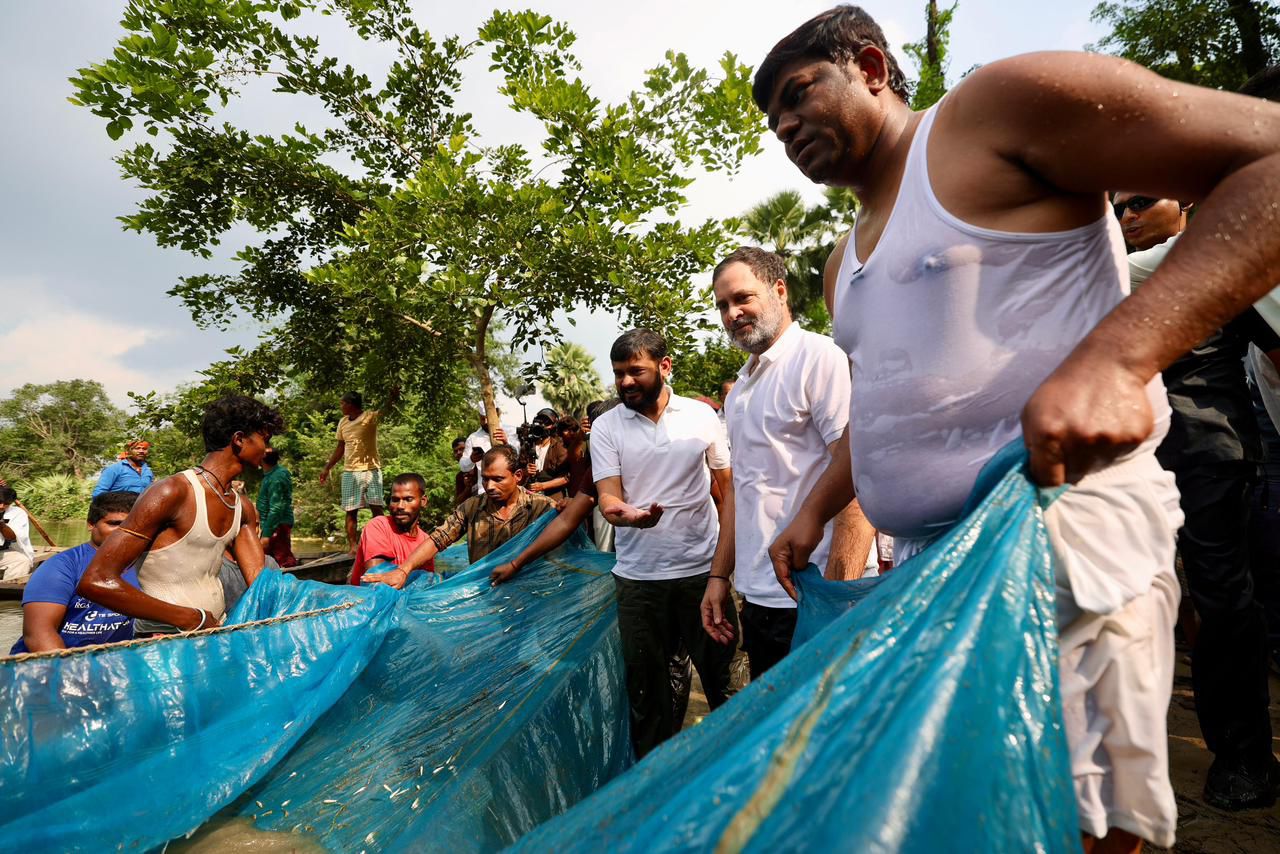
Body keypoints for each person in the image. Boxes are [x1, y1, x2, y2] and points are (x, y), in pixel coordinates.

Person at [757, 6, 1280, 849]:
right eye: (772, 119)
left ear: (871, 68)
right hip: (927, 572)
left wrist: (1118, 360)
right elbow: (885, 404)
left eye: (797, 93)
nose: (783, 125)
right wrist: (816, 508)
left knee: (1071, 825)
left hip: (1058, 533)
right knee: (966, 818)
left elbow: (1270, 158)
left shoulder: (994, 112)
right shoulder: (839, 265)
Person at [1121, 187, 1280, 811]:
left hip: (1207, 448)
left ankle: (1245, 757)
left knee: (1222, 597)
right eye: (1120, 207)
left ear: (1183, 201)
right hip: (1129, 457)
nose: (1128, 215)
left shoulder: (1222, 256)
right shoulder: (1109, 276)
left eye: (1141, 201)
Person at [701, 246, 876, 677]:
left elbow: (859, 478)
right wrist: (720, 577)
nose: (732, 313)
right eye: (722, 305)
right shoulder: (742, 389)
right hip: (761, 598)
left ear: (779, 290)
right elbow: (740, 490)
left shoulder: (819, 358)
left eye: (743, 298)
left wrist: (833, 604)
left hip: (817, 594)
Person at [591, 328, 738, 757]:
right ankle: (656, 782)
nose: (625, 382)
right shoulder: (606, 426)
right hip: (639, 583)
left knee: (727, 684)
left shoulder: (701, 416)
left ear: (665, 366)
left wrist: (723, 572)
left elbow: (729, 492)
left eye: (635, 371)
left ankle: (741, 775)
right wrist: (629, 515)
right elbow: (608, 498)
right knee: (648, 698)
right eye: (618, 373)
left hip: (702, 577)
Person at [79, 396, 282, 633]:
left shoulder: (242, 507)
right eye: (264, 439)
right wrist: (190, 618)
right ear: (238, 440)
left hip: (214, 634)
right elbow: (96, 581)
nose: (267, 449)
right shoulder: (172, 492)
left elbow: (261, 585)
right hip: (160, 638)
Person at [366, 446, 555, 588]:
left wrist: (566, 506)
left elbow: (565, 528)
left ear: (518, 476)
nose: (489, 486)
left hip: (528, 590)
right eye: (485, 479)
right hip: (485, 590)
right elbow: (438, 539)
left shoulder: (541, 506)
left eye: (498, 479)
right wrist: (403, 570)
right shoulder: (472, 507)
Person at [10, 491, 139, 654]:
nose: (124, 531)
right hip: (54, 661)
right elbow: (38, 635)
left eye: (132, 525)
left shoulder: (146, 564)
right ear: (91, 524)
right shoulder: (60, 567)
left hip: (115, 658)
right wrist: (66, 669)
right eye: (114, 523)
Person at [320, 390, 395, 553]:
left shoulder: (369, 417)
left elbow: (386, 410)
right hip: (350, 471)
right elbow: (340, 447)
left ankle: (383, 543)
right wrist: (327, 467)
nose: (340, 406)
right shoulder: (343, 422)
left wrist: (393, 395)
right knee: (350, 510)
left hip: (371, 469)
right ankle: (353, 546)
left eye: (342, 403)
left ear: (351, 404)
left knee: (377, 507)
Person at [349, 473, 434, 585]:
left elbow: (426, 583)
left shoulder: (426, 542)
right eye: (395, 500)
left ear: (423, 501)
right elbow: (376, 581)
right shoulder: (378, 526)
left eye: (408, 499)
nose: (400, 506)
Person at [458, 406, 521, 496]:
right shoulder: (473, 438)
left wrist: (506, 443)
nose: (485, 422)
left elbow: (518, 457)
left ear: (497, 415)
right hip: (484, 490)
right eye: (483, 419)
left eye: (488, 418)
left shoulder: (510, 431)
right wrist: (471, 459)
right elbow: (463, 467)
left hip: (509, 488)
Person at [256, 449, 297, 568]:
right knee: (268, 557)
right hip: (272, 524)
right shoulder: (271, 474)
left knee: (283, 558)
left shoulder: (276, 478)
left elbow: (277, 508)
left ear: (261, 460)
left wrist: (267, 535)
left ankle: (291, 575)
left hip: (277, 524)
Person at [0, 486, 35, 580]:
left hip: (2, 552)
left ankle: (8, 586)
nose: (2, 506)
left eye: (6, 503)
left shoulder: (17, 513)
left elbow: (12, 537)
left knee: (22, 561)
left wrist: (1, 523)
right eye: (0, 502)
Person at [452, 437, 476, 506]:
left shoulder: (482, 466)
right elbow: (458, 501)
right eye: (455, 451)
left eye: (462, 449)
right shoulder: (460, 476)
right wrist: (468, 487)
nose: (458, 453)